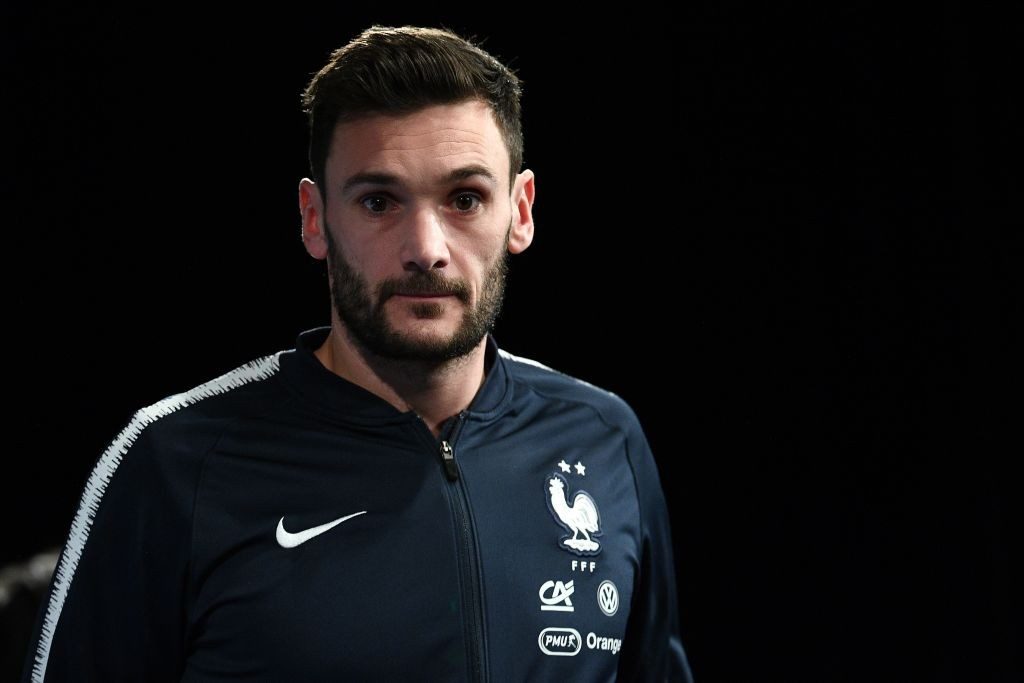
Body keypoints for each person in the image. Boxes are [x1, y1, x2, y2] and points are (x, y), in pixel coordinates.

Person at [21, 25, 693, 682]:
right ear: (315, 219)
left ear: (520, 211)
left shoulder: (604, 439)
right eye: (379, 201)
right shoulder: (175, 464)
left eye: (465, 199)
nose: (425, 248)